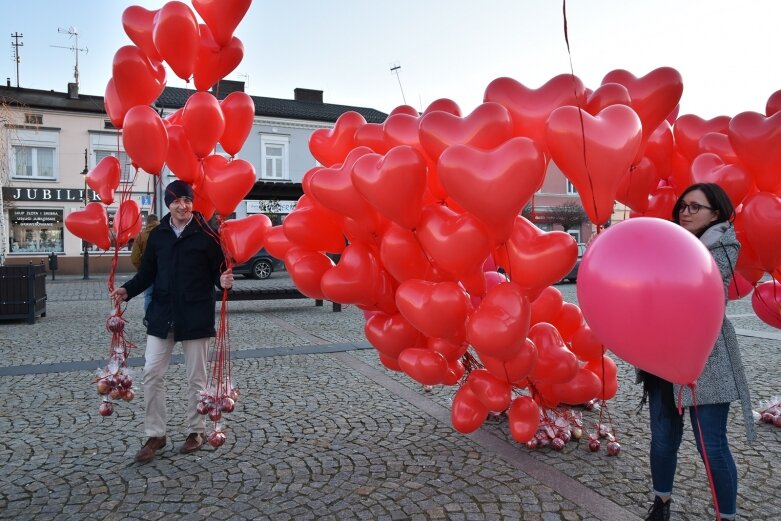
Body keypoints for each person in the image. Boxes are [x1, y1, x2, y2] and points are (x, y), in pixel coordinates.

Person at [640, 183, 754, 521]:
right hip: (661, 359)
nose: (685, 212)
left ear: (715, 213)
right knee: (662, 439)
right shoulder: (669, 241)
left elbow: (697, 288)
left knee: (712, 447)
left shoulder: (723, 245)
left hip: (706, 360)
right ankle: (661, 503)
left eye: (694, 207)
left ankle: (727, 516)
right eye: (682, 206)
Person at [110, 180, 234, 463]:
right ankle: (156, 434)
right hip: (162, 314)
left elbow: (218, 271)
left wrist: (223, 280)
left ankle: (196, 431)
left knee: (196, 379)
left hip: (195, 315)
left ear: (193, 203)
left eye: (187, 200)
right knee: (152, 373)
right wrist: (127, 290)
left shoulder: (206, 234)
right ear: (168, 204)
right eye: (177, 200)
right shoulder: (158, 235)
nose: (183, 205)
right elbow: (147, 273)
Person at [130, 213, 159, 312]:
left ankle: (148, 319)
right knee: (163, 295)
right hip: (162, 270)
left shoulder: (141, 235)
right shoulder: (164, 233)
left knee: (148, 296)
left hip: (146, 270)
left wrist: (141, 268)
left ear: (147, 222)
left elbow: (134, 257)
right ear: (157, 221)